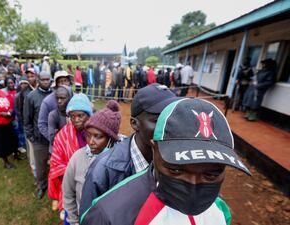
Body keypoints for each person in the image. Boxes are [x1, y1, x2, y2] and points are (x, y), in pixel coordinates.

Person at [80, 98, 251, 225]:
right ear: (155, 150)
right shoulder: (109, 214)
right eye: (176, 170)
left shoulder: (219, 211)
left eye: (211, 174)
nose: (193, 185)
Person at [79, 84, 180, 216]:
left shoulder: (182, 163)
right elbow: (90, 218)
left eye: (173, 118)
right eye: (158, 120)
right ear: (134, 123)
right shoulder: (104, 170)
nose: (169, 126)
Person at [62, 100, 121, 225]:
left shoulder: (121, 162)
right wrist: (73, 221)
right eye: (88, 135)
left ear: (111, 138)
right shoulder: (77, 158)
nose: (91, 141)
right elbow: (68, 193)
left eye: (98, 136)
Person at [48, 93, 93, 215]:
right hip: (71, 181)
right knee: (72, 213)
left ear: (89, 115)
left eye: (80, 115)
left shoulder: (96, 133)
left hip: (93, 180)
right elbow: (55, 162)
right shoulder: (63, 135)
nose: (76, 120)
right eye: (72, 116)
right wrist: (73, 170)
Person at [23, 71, 52, 199]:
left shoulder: (55, 94)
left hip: (55, 138)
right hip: (39, 140)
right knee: (40, 167)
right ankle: (41, 185)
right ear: (38, 80)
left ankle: (54, 187)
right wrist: (32, 138)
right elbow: (27, 120)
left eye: (48, 79)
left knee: (56, 164)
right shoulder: (31, 97)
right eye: (43, 79)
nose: (46, 82)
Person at [38, 70, 72, 152]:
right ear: (56, 85)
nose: (64, 84)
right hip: (57, 145)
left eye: (65, 81)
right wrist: (54, 138)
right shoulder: (48, 101)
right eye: (60, 82)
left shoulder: (74, 97)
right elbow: (42, 124)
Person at [48, 85, 73, 152]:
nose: (59, 101)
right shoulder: (53, 115)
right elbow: (52, 139)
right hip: (57, 151)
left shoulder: (75, 114)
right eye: (57, 98)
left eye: (62, 98)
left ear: (70, 98)